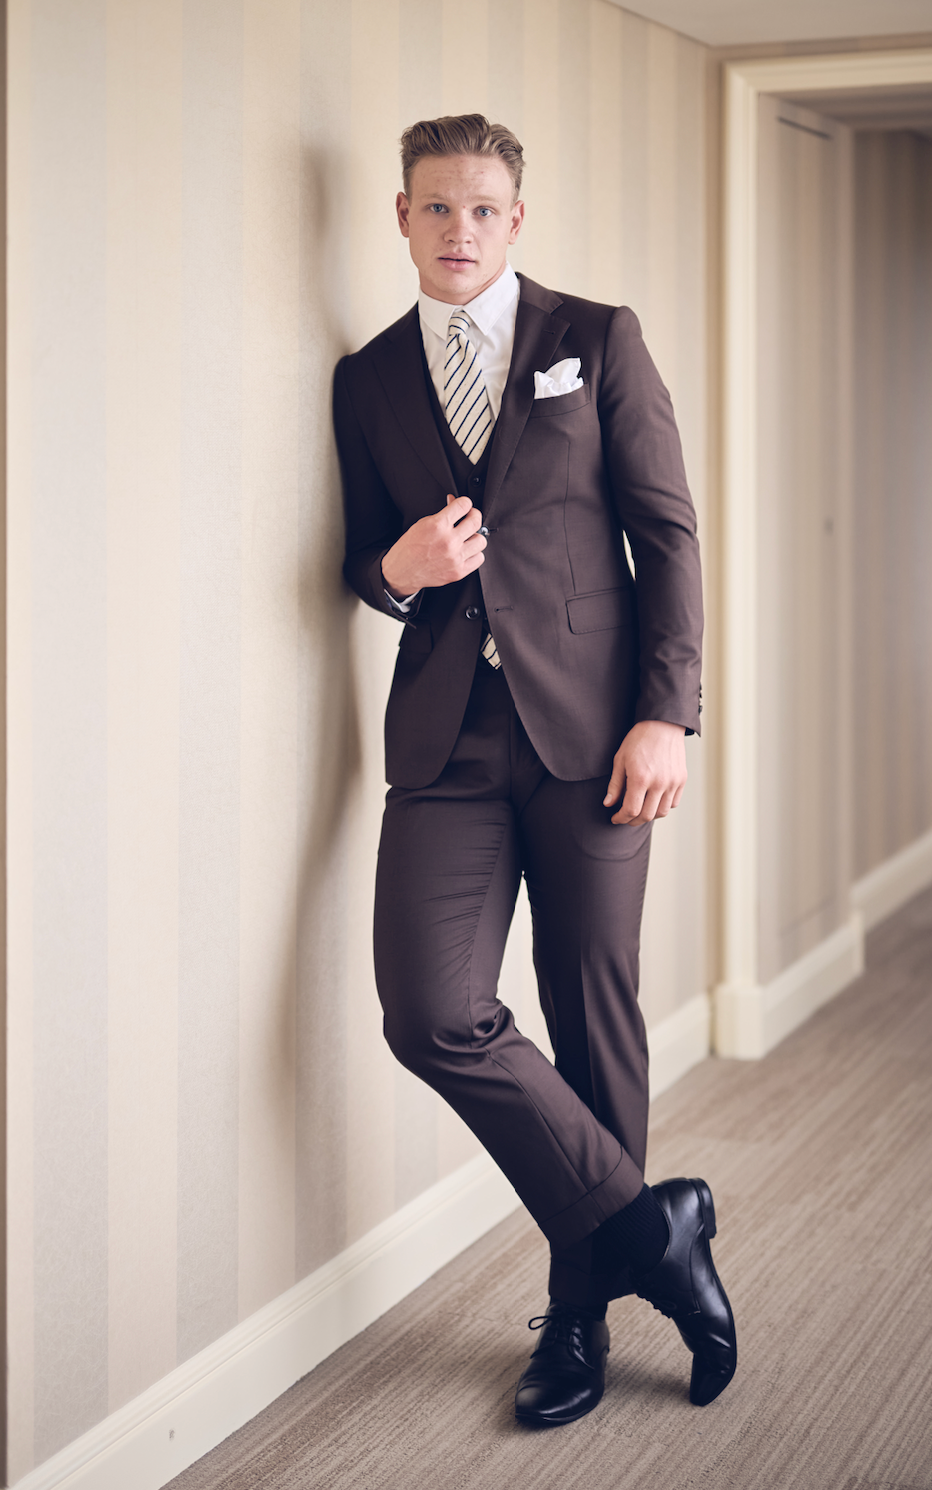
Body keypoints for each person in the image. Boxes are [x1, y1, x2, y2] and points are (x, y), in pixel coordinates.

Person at [334, 114, 736, 1427]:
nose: (461, 232)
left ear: (519, 218)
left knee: (589, 1010)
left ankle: (576, 1312)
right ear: (401, 215)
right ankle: (647, 1230)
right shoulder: (369, 377)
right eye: (437, 209)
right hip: (444, 742)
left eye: (486, 209)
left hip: (595, 733)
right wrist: (397, 571)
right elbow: (359, 556)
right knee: (429, 1005)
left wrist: (666, 712)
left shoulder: (595, 337)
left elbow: (667, 534)